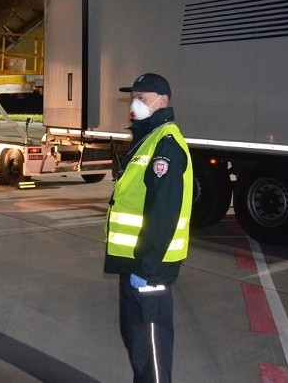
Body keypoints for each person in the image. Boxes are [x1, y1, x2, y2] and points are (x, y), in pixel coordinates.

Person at [104, 73, 193, 383]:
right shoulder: (147, 137)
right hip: (134, 261)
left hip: (148, 267)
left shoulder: (165, 145)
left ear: (162, 101)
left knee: (150, 345)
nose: (134, 104)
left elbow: (163, 212)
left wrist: (148, 266)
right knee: (137, 340)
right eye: (134, 97)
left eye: (142, 98)